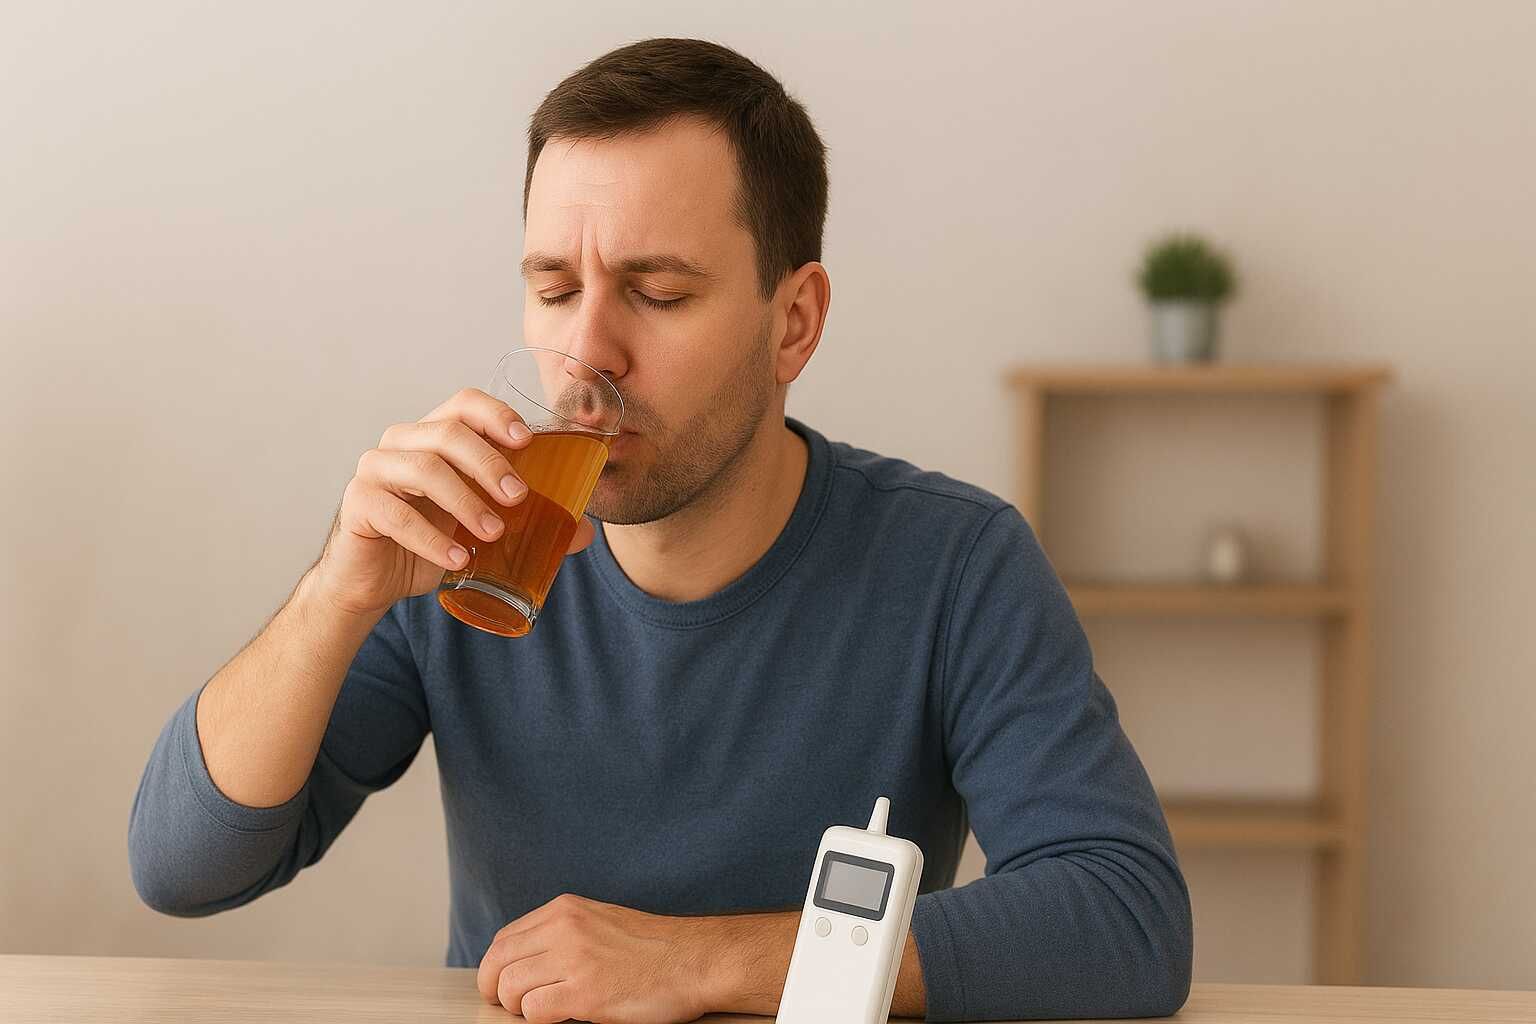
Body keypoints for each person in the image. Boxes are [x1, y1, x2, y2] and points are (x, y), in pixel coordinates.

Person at [129, 37, 1191, 1024]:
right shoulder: (469, 546)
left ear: (795, 323)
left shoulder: (955, 563)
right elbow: (184, 869)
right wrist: (337, 593)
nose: (589, 353)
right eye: (553, 288)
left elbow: (1123, 916)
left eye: (660, 292)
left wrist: (699, 960)